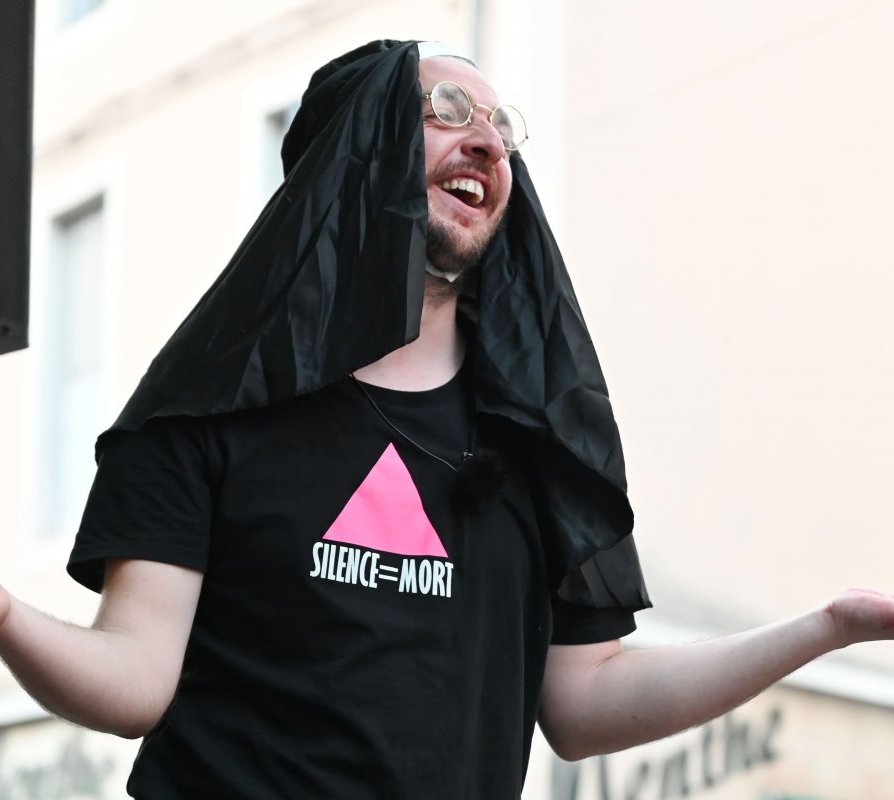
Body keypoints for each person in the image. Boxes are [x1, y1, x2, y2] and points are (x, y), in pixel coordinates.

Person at [0, 39, 892, 799]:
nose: (489, 144)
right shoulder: (210, 405)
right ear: (356, 148)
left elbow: (585, 702)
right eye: (449, 110)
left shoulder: (533, 439)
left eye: (504, 130)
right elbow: (132, 679)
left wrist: (828, 627)